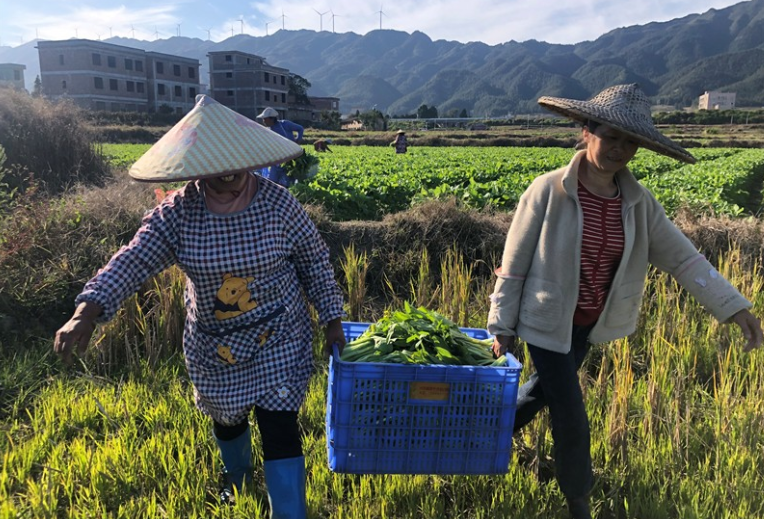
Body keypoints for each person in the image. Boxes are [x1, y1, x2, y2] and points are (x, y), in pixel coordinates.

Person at [53, 95, 347, 517]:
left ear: (248, 157)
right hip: (215, 343)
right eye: (216, 165)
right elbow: (135, 258)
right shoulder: (179, 212)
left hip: (278, 336)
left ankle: (289, 510)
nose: (228, 173)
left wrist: (331, 318)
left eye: (235, 162)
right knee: (227, 418)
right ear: (199, 165)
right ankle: (239, 481)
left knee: (280, 423)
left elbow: (314, 260)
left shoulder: (279, 205)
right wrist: (88, 309)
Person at [486, 83, 762, 519]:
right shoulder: (547, 191)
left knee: (540, 393)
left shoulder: (638, 202)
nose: (619, 148)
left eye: (629, 140)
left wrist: (734, 305)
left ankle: (478, 438)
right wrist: (500, 324)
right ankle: (579, 500)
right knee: (570, 413)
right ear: (586, 130)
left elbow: (685, 260)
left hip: (588, 324)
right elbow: (514, 262)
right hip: (544, 320)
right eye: (611, 135)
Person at [256, 107, 305, 188]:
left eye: (265, 119)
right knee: (271, 181)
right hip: (276, 159)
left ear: (271, 119)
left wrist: (298, 140)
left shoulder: (285, 124)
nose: (263, 121)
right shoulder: (268, 130)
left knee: (288, 182)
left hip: (289, 158)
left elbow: (300, 129)